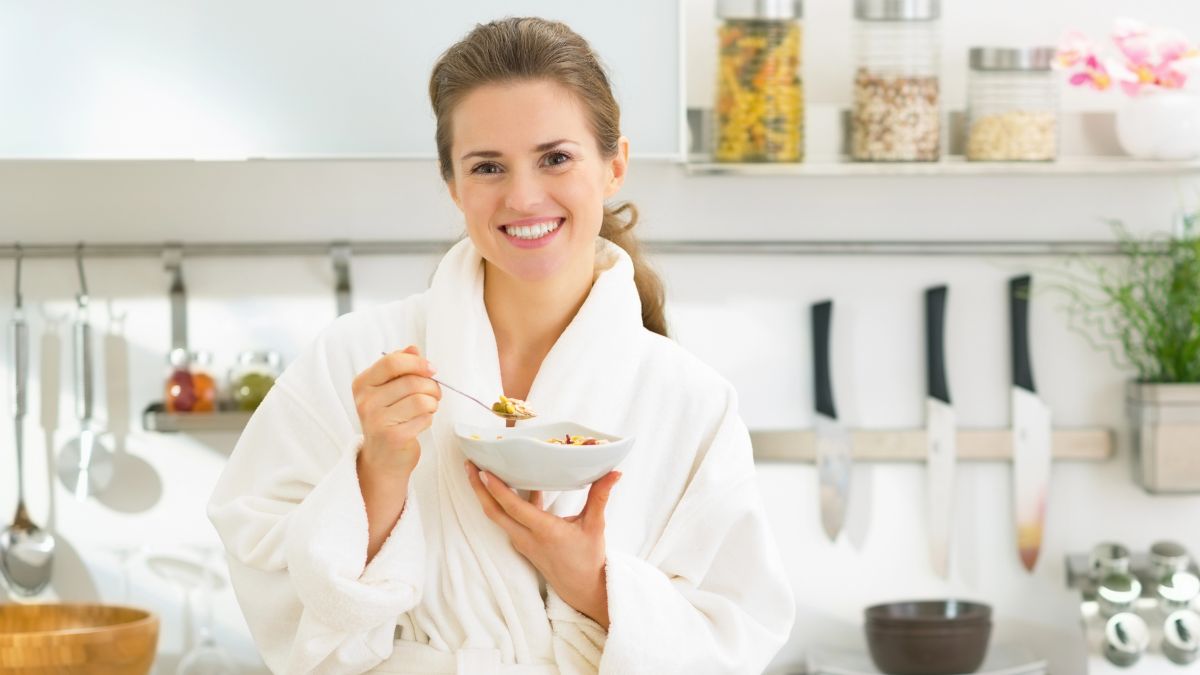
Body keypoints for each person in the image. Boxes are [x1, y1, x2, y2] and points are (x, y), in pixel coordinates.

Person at [208, 16, 794, 675]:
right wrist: (374, 476)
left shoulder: (692, 402)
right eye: (487, 166)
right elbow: (260, 558)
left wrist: (595, 585)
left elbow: (739, 632)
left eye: (556, 158)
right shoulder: (357, 361)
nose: (523, 195)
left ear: (614, 166)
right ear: (453, 186)